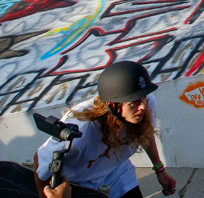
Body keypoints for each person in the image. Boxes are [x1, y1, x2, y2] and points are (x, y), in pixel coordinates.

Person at [31, 61, 177, 198]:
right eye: (133, 103)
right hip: (80, 184)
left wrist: (159, 169)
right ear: (112, 105)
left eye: (143, 98)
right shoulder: (81, 130)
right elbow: (40, 159)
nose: (143, 106)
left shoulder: (146, 103)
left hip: (117, 174)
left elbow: (144, 131)